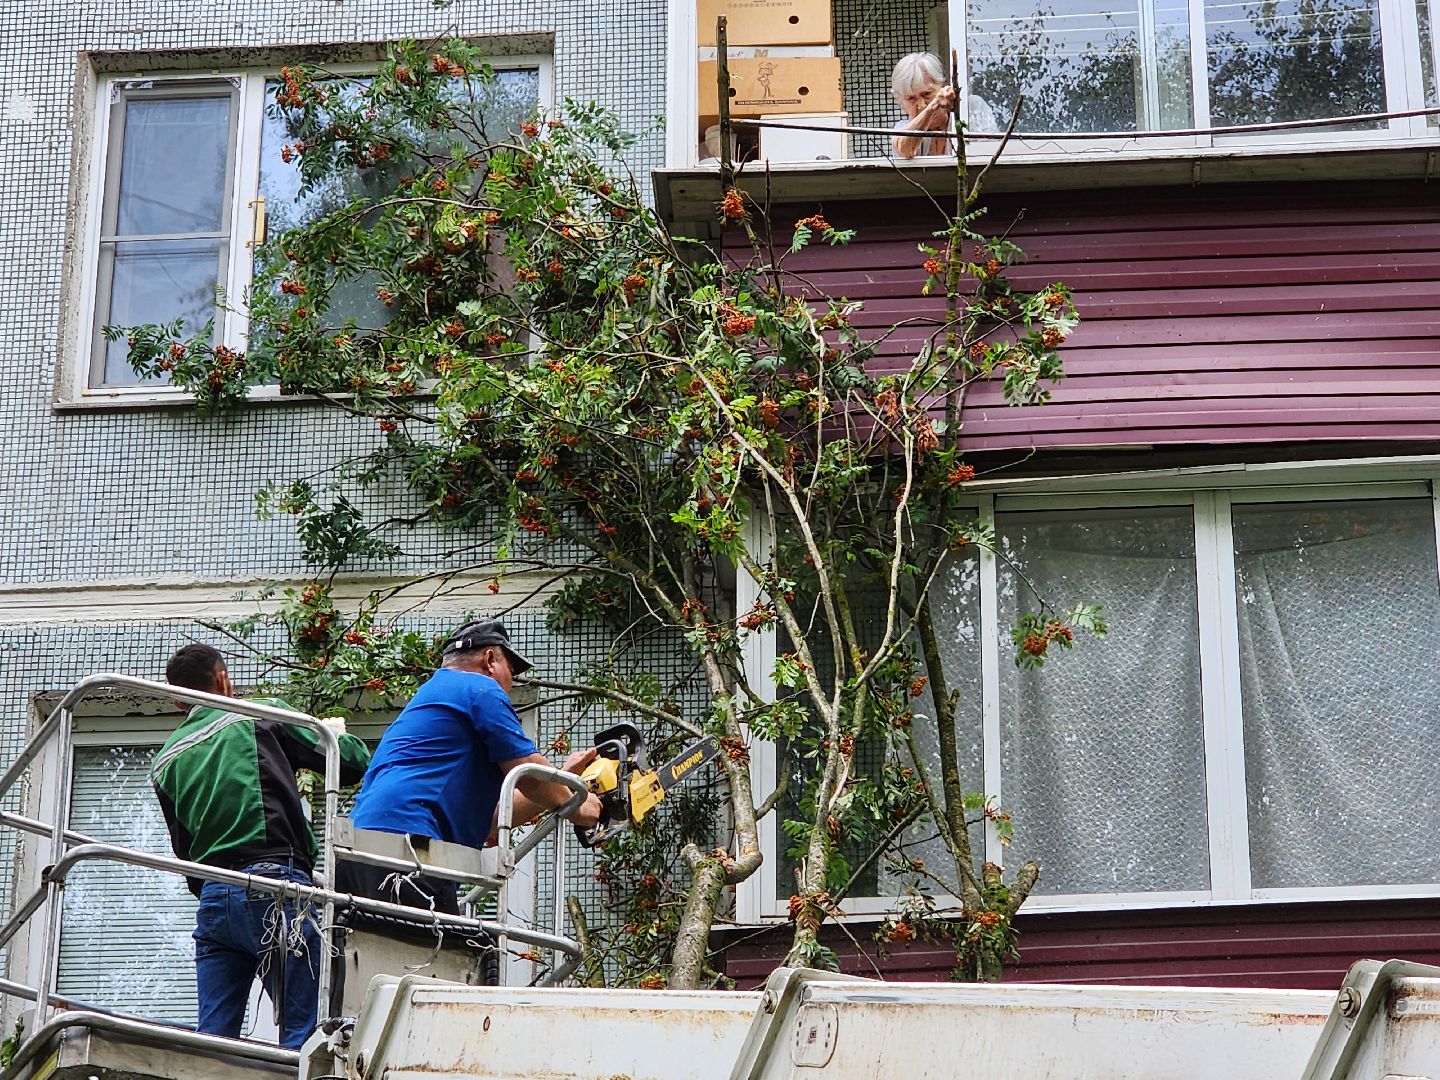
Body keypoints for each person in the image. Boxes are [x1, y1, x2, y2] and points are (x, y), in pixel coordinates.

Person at [152, 643, 371, 1049]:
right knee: (303, 1036)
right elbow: (351, 761)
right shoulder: (258, 714)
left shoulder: (166, 759)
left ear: (179, 697)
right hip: (273, 888)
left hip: (214, 902)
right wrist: (337, 732)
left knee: (213, 1043)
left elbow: (185, 852)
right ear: (222, 679)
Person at [340, 618, 602, 914]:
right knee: (439, 954)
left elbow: (493, 817)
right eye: (511, 671)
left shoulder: (432, 699)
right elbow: (530, 774)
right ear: (490, 659)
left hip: (361, 850)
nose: (511, 683)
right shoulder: (479, 689)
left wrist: (563, 783)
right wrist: (581, 806)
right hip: (410, 851)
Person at [890, 52, 999, 159]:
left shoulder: (971, 107)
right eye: (911, 98)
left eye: (927, 94)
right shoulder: (903, 128)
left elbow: (992, 151)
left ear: (941, 86)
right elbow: (905, 150)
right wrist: (932, 107)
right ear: (901, 101)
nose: (921, 105)